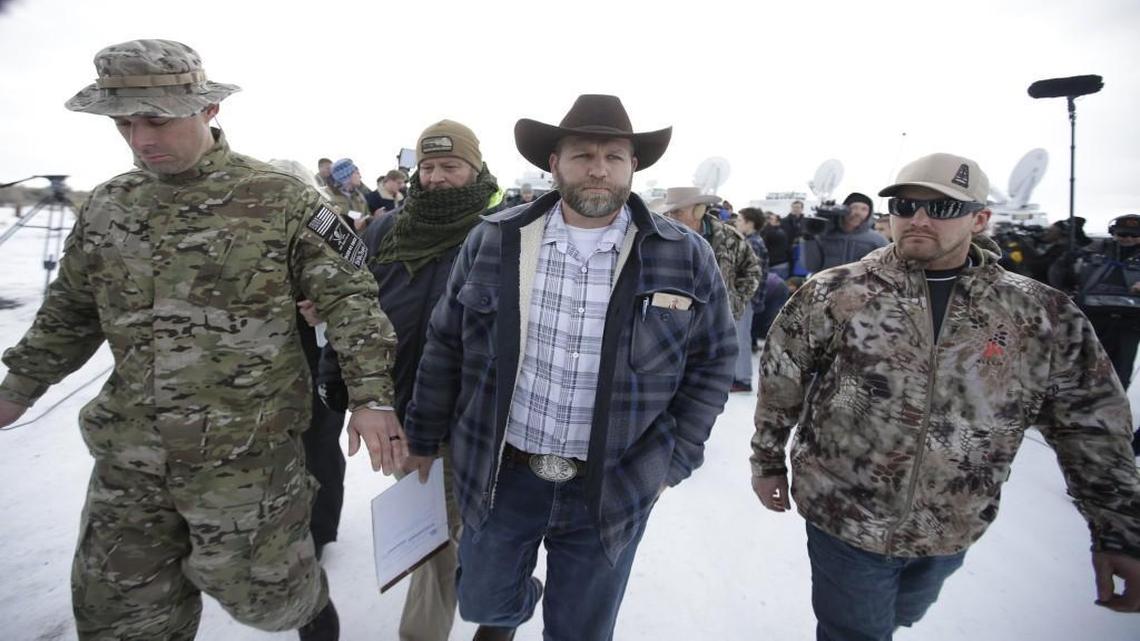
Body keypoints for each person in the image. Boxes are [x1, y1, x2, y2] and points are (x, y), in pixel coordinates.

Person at [0, 39, 405, 641]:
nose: (141, 139)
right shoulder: (110, 206)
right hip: (130, 461)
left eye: (157, 120)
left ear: (207, 110)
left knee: (279, 598)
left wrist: (372, 398)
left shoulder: (281, 199)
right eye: (124, 124)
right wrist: (17, 388)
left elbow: (352, 299)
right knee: (118, 618)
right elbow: (70, 312)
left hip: (247, 462)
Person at [751, 152, 1140, 640]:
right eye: (906, 205)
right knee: (853, 631)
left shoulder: (1038, 314)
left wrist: (1118, 532)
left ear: (979, 219)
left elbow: (1090, 422)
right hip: (843, 517)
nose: (918, 219)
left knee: (902, 613)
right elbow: (781, 379)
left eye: (942, 208)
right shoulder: (836, 293)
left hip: (952, 526)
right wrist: (767, 462)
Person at [402, 94, 737, 641]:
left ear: (635, 166)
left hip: (614, 480)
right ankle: (517, 600)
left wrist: (675, 458)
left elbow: (714, 358)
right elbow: (445, 343)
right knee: (483, 598)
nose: (598, 168)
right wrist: (422, 434)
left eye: (614, 156)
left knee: (581, 628)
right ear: (553, 163)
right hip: (502, 472)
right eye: (582, 154)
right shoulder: (495, 239)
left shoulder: (683, 253)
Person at [320, 119, 504, 641]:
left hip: (474, 415)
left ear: (475, 168)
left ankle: (486, 613)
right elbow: (352, 303)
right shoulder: (385, 228)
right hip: (403, 410)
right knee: (436, 537)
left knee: (452, 539)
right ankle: (494, 608)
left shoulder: (502, 232)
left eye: (451, 166)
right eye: (428, 167)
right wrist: (337, 377)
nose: (438, 177)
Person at [663, 187, 761, 392]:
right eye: (669, 213)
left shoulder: (728, 237)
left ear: (699, 210)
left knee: (724, 351)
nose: (671, 217)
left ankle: (730, 383)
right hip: (680, 311)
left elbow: (752, 269)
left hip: (722, 311)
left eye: (677, 212)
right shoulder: (665, 235)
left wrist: (737, 298)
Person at [801, 191, 888, 273]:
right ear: (843, 210)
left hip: (860, 288)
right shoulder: (825, 235)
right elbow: (811, 267)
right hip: (827, 286)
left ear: (869, 213)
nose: (858, 212)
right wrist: (809, 239)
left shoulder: (877, 240)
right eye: (854, 207)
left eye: (864, 209)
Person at [329, 158, 373, 231]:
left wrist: (376, 218)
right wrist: (355, 229)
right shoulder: (331, 200)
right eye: (357, 173)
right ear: (347, 177)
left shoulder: (359, 195)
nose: (360, 176)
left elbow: (366, 216)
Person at [762, 210, 791, 278]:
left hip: (777, 265)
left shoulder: (774, 232)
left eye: (771, 219)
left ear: (778, 222)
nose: (768, 221)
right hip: (780, 264)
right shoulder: (780, 231)